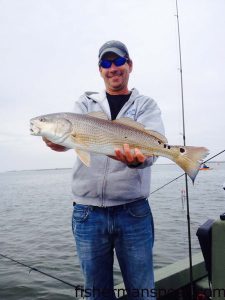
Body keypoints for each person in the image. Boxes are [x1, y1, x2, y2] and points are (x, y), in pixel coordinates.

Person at [43, 40, 165, 300]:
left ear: (129, 65)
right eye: (106, 63)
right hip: (88, 214)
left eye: (118, 61)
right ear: (100, 70)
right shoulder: (85, 103)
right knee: (96, 294)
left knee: (143, 293)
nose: (113, 68)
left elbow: (152, 153)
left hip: (133, 212)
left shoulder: (146, 105)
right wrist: (56, 140)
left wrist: (138, 159)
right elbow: (69, 141)